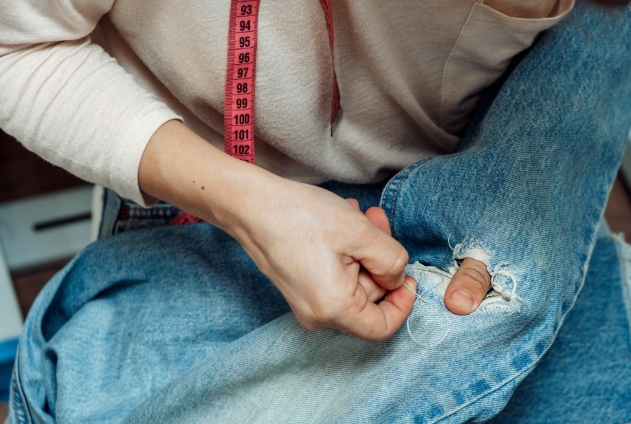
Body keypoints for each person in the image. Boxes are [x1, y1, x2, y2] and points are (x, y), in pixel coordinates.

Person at [2, 0, 631, 422]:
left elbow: (599, 34)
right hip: (196, 184)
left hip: (455, 194)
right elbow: (14, 47)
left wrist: (516, 227)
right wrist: (248, 204)